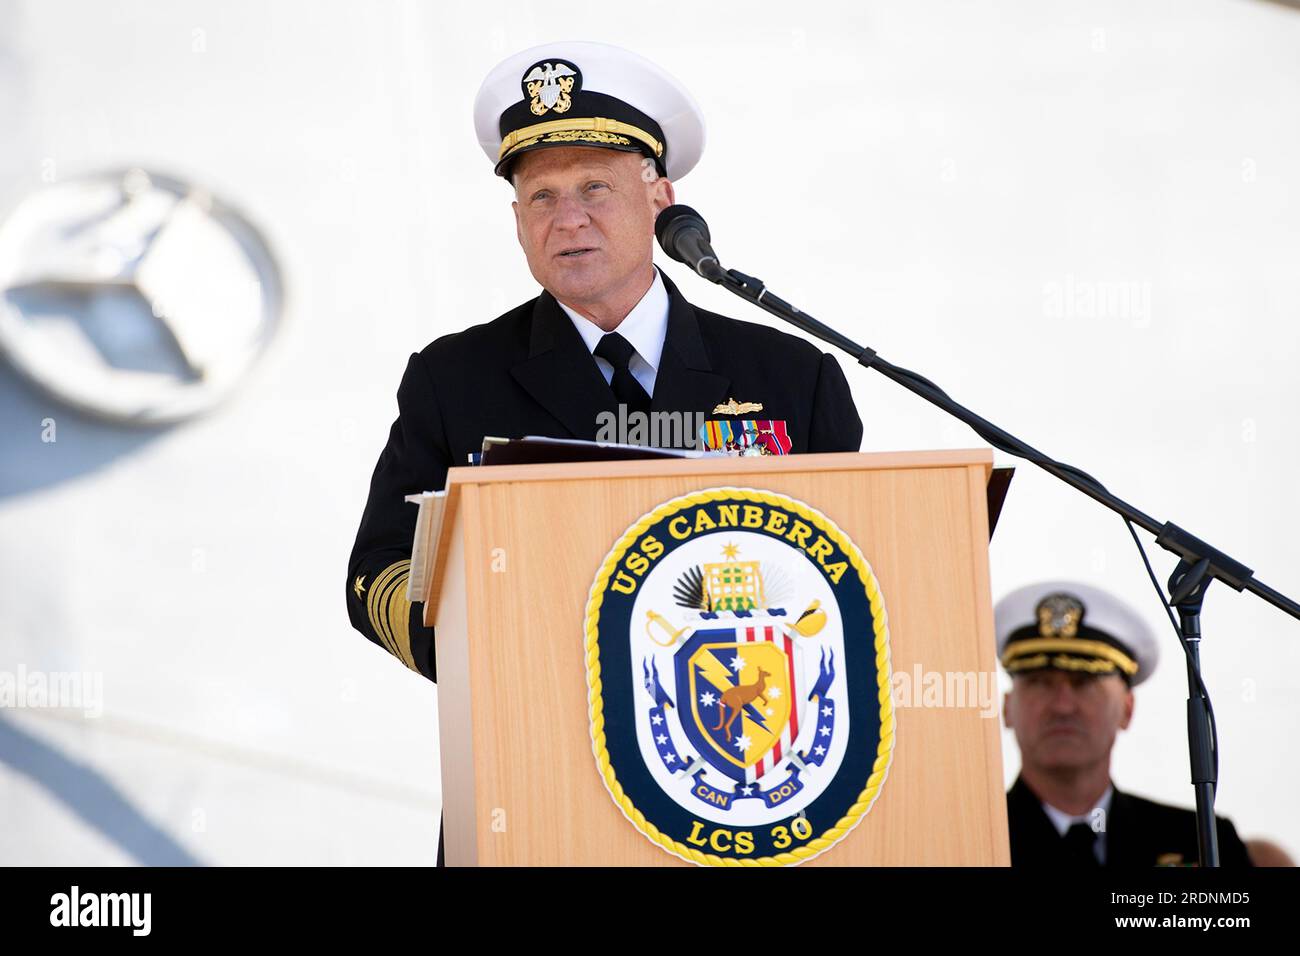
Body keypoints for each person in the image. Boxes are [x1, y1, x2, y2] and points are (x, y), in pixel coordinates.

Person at [345, 40, 864, 865]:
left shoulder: (791, 375)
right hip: (536, 781)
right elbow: (378, 574)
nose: (568, 218)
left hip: (749, 785)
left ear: (660, 197)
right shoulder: (454, 378)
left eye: (594, 187)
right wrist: (506, 658)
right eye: (540, 195)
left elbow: (860, 572)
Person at [997, 580, 1253, 867]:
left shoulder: (1204, 843)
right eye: (1040, 683)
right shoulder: (967, 843)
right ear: (1007, 708)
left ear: (1127, 709)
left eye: (1084, 683)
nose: (1062, 706)